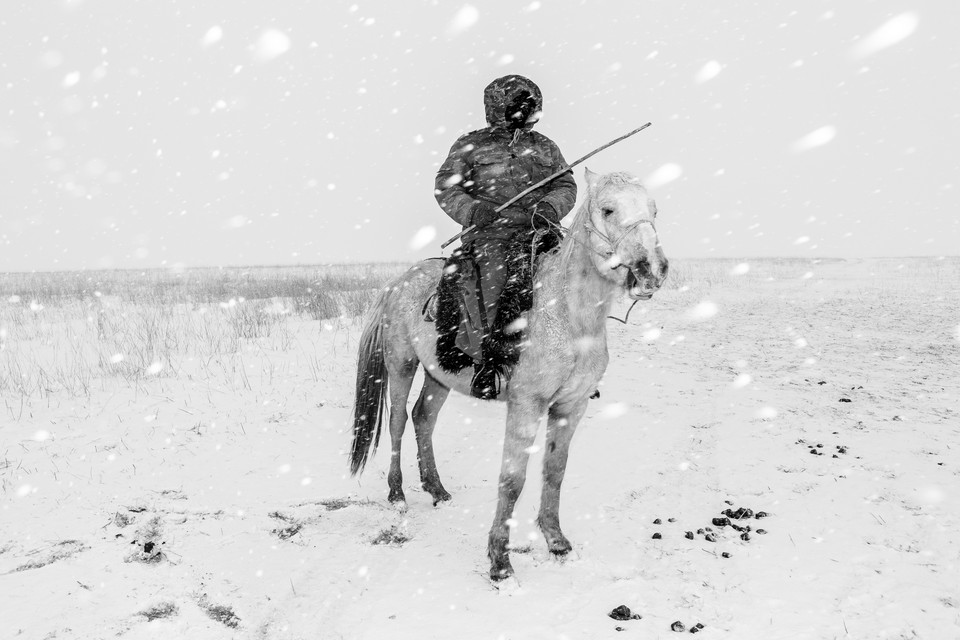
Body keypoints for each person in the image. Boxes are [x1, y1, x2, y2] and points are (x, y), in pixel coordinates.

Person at [434, 75, 577, 399]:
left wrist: (550, 207)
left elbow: (565, 185)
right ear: (498, 107)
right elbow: (446, 185)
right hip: (490, 235)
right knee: (495, 280)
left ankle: (574, 362)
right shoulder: (471, 145)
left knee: (576, 276)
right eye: (517, 105)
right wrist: (472, 211)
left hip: (539, 231)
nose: (524, 112)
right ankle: (489, 360)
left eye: (529, 105)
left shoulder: (545, 146)